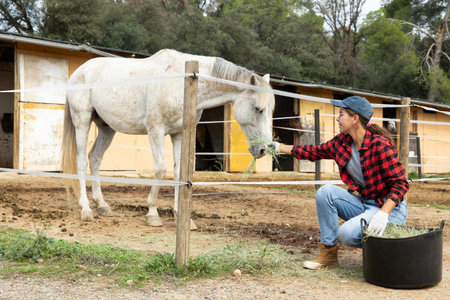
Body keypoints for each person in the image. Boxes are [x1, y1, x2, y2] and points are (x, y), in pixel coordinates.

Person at [268, 96, 409, 270]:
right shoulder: (342, 143)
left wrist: (383, 214)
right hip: (366, 204)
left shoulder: (380, 145)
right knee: (325, 192)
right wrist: (279, 147)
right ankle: (329, 253)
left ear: (355, 119)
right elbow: (314, 152)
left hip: (389, 210)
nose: (337, 119)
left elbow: (400, 183)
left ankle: (388, 244)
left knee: (347, 234)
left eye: (341, 114)